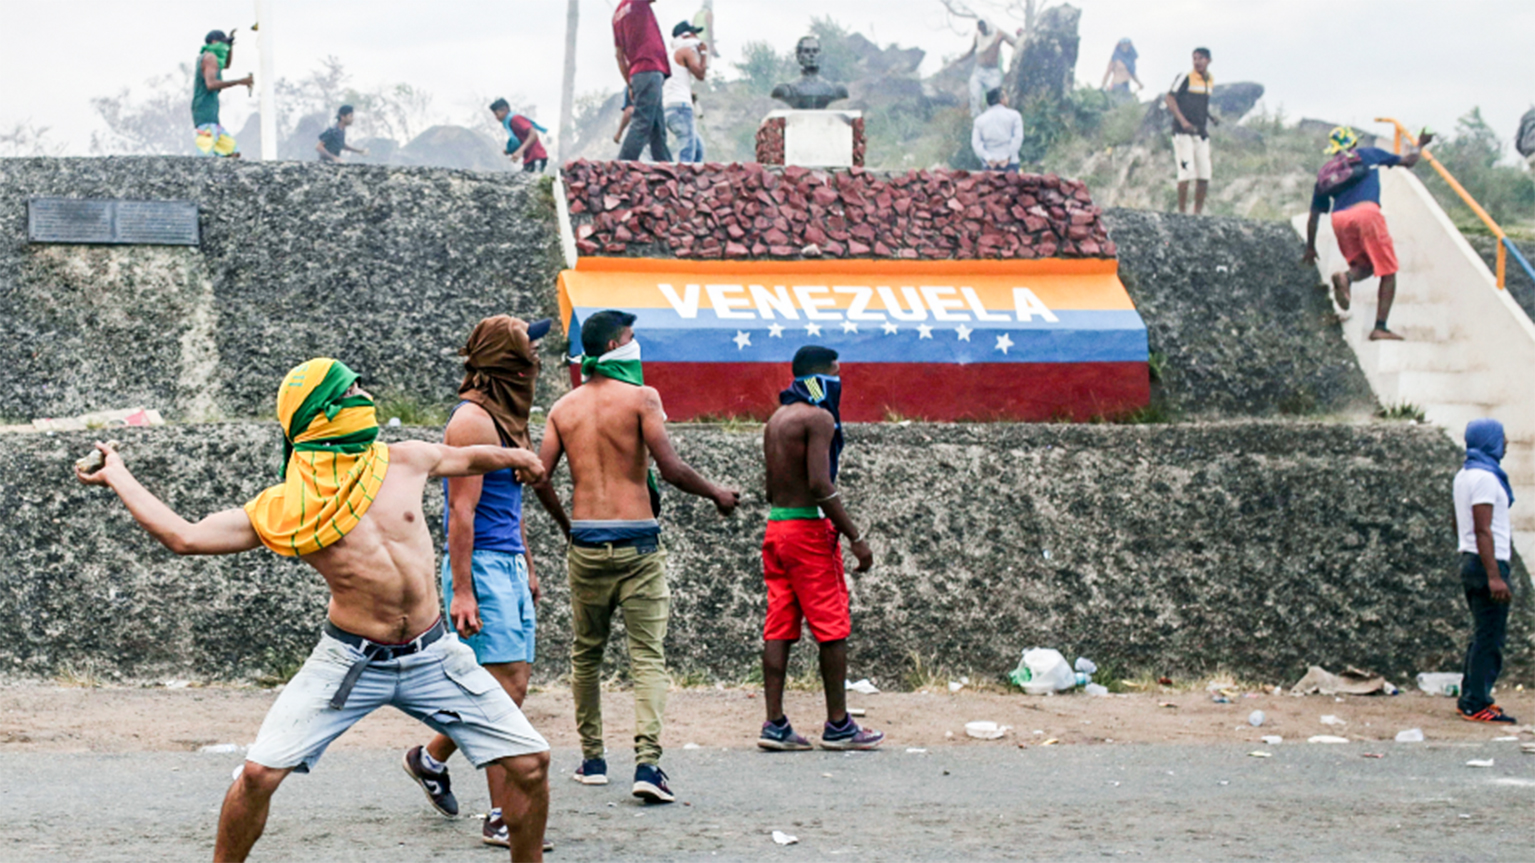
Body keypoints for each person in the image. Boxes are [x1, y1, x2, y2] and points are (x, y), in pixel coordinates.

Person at [73, 357, 552, 861]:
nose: (365, 397)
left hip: (433, 656)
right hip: (350, 663)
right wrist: (117, 474)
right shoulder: (287, 508)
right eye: (350, 392)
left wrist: (516, 458)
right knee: (258, 775)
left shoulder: (402, 458)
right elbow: (184, 536)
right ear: (319, 414)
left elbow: (467, 458)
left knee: (533, 762)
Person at [537, 309, 740, 803]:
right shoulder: (642, 399)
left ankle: (592, 759)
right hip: (639, 541)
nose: (636, 344)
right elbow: (669, 469)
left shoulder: (563, 409)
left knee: (587, 651)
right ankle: (648, 765)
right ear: (612, 347)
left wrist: (568, 526)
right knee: (647, 655)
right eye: (630, 337)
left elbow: (538, 476)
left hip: (585, 541)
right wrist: (716, 492)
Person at [402, 317, 566, 852]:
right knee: (503, 689)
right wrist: (464, 590)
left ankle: (429, 759)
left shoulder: (504, 417)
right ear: (508, 361)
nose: (537, 360)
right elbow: (461, 512)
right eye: (529, 350)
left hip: (509, 563)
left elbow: (511, 506)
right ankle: (500, 814)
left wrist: (530, 564)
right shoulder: (471, 422)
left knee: (507, 687)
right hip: (482, 568)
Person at [757, 346, 884, 753]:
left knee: (779, 625)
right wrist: (855, 536)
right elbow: (820, 483)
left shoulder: (777, 420)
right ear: (825, 376)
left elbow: (768, 488)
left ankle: (775, 723)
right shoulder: (819, 418)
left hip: (777, 527)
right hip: (809, 530)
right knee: (832, 626)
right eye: (837, 373)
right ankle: (839, 725)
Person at [1302, 125, 1433, 341]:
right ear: (1353, 143)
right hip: (1366, 213)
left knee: (1365, 266)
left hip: (1339, 220)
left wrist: (1310, 247)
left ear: (1333, 149)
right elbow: (1409, 161)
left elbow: (1314, 214)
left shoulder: (1327, 172)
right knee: (1388, 271)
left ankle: (1346, 277)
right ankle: (1380, 327)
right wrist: (1421, 144)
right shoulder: (1367, 154)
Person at [1452, 419, 1518, 724]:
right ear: (1489, 440)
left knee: (1482, 634)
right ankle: (1475, 702)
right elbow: (1483, 529)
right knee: (1490, 637)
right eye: (1501, 438)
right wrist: (1494, 575)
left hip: (1473, 559)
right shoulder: (1486, 479)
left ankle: (1472, 697)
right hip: (1486, 562)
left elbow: (1458, 522)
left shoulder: (1465, 475)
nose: (1505, 443)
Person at [612, 0, 672, 162]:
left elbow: (619, 55)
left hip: (638, 73)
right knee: (642, 123)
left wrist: (629, 82)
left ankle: (666, 167)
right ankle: (622, 166)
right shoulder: (637, 2)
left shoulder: (617, 14)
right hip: (649, 67)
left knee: (657, 127)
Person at [1164, 48, 1219, 215]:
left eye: (1201, 58)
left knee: (1204, 173)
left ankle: (1197, 213)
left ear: (1208, 60)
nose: (1197, 62)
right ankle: (1182, 212)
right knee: (1186, 172)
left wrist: (1210, 117)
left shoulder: (1209, 80)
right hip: (1183, 132)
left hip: (1200, 132)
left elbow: (1200, 103)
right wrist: (1183, 121)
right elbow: (1170, 98)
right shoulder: (1185, 77)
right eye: (1194, 58)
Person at [191, 29, 253, 158]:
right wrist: (240, 81)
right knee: (204, 156)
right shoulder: (209, 58)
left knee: (232, 152)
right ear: (214, 42)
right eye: (223, 44)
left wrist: (230, 47)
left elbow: (226, 64)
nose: (224, 48)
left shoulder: (213, 59)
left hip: (212, 116)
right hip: (205, 113)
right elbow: (211, 84)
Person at [663, 21, 708, 164]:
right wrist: (704, 53)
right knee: (687, 152)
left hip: (668, 107)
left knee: (698, 148)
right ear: (686, 35)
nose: (697, 37)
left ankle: (693, 181)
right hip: (681, 107)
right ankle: (682, 182)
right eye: (694, 33)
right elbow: (700, 74)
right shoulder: (686, 51)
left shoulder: (670, 55)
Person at [960, 19, 1019, 119]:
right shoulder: (978, 36)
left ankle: (990, 121)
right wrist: (960, 60)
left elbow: (1013, 42)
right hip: (978, 71)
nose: (982, 29)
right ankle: (976, 121)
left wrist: (1022, 39)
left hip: (992, 73)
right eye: (980, 27)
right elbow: (971, 51)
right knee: (975, 96)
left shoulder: (998, 34)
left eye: (983, 26)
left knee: (993, 101)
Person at [490, 99, 549, 174]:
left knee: (535, 180)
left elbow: (533, 134)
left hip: (536, 156)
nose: (496, 118)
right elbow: (520, 140)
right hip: (529, 159)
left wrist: (520, 151)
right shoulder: (509, 122)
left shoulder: (515, 119)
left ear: (505, 109)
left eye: (497, 114)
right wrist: (509, 150)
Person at [971, 88, 1023, 172]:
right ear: (1001, 100)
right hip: (1010, 164)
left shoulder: (979, 120)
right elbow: (1018, 138)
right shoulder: (1015, 116)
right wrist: (1007, 157)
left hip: (990, 165)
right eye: (1006, 96)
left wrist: (988, 158)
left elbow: (976, 143)